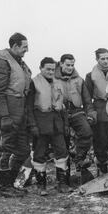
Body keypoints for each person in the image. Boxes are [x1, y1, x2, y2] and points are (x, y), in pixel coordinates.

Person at [0, 33, 32, 198]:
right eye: (24, 47)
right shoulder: (2, 64)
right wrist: (4, 116)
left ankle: (10, 183)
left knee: (23, 150)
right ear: (14, 46)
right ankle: (3, 187)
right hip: (6, 113)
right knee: (4, 150)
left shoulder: (20, 64)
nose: (26, 50)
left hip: (20, 113)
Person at [27, 57, 73, 195]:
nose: (50, 72)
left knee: (62, 152)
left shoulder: (58, 83)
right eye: (47, 69)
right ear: (41, 68)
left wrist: (65, 124)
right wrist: (32, 126)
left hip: (57, 123)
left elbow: (63, 106)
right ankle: (41, 186)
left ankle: (62, 184)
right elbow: (28, 107)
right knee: (39, 154)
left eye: (53, 69)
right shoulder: (33, 83)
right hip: (41, 123)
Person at [54, 54, 96, 182]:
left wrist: (91, 115)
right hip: (60, 113)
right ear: (61, 64)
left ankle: (79, 159)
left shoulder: (79, 80)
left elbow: (87, 100)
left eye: (72, 65)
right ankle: (63, 180)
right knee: (62, 145)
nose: (70, 68)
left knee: (87, 132)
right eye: (67, 65)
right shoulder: (52, 79)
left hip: (76, 111)